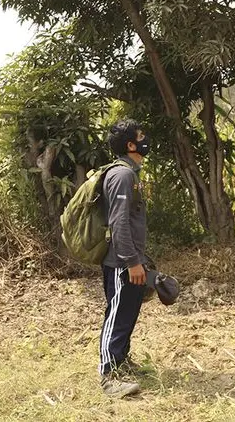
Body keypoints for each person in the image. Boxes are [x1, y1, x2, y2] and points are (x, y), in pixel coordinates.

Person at [98, 119, 151, 397]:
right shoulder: (122, 175)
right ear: (131, 145)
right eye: (140, 136)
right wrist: (131, 262)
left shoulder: (132, 173)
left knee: (127, 313)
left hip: (131, 259)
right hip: (120, 263)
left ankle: (121, 361)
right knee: (117, 316)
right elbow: (118, 223)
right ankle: (108, 375)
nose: (145, 140)